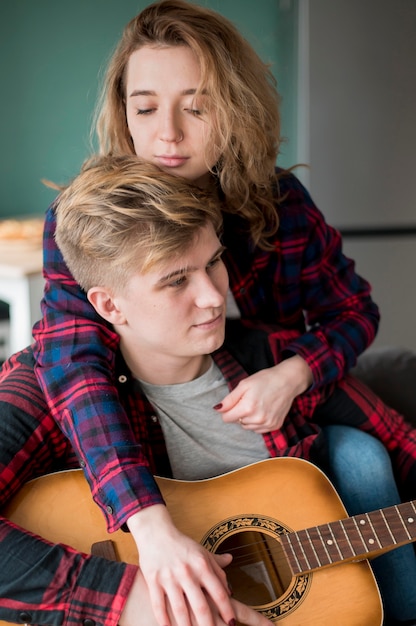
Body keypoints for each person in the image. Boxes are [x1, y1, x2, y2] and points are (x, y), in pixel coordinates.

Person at [29, 0, 415, 622]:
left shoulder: (282, 205)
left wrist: (293, 374)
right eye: (146, 107)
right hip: (158, 447)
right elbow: (71, 364)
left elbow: (354, 311)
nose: (168, 135)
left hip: (278, 436)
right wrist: (147, 523)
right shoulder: (89, 223)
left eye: (197, 105)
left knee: (365, 459)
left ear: (233, 107)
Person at [0, 157, 275, 626]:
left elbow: (396, 443)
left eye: (213, 263)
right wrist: (130, 600)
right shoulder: (43, 393)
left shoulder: (269, 359)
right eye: (176, 281)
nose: (213, 297)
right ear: (110, 304)